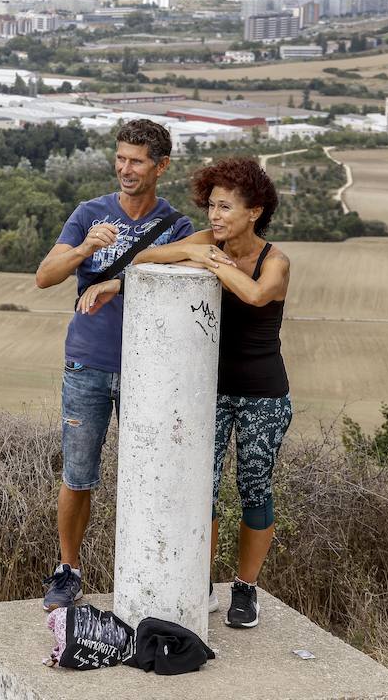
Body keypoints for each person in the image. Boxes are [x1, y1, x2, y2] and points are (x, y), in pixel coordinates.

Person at [33, 119, 194, 611]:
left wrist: (120, 281)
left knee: (151, 476)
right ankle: (68, 571)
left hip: (150, 369)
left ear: (161, 167)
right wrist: (86, 248)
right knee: (78, 475)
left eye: (137, 161)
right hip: (88, 363)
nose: (126, 168)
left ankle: (149, 574)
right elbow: (44, 276)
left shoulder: (177, 226)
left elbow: (191, 270)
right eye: (121, 158)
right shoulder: (89, 213)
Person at [132, 156, 291, 630]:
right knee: (202, 487)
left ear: (254, 211)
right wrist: (197, 253)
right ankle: (200, 583)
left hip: (264, 394)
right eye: (212, 206)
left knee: (254, 487)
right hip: (211, 391)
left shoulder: (275, 261)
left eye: (225, 207)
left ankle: (245, 588)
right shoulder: (209, 243)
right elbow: (144, 257)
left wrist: (212, 262)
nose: (214, 216)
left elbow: (256, 295)